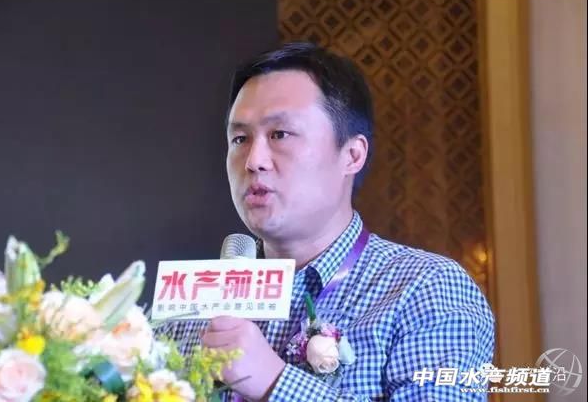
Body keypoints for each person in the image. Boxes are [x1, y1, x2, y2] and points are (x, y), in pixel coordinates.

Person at [168, 42, 495, 401]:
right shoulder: (190, 308)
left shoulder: (425, 289)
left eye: (279, 134)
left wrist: (274, 381)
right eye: (240, 138)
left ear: (352, 155)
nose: (253, 161)